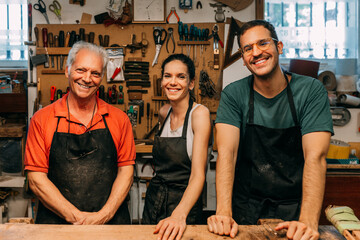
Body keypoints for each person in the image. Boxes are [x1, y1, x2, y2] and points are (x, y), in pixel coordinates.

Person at [207, 20, 333, 240]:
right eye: (248, 48)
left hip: (295, 208)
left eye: (263, 43)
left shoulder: (310, 91)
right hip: (246, 208)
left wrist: (308, 221)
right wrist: (224, 213)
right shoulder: (234, 94)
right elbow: (227, 153)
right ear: (244, 59)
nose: (256, 52)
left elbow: (316, 156)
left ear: (279, 47)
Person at [24, 41, 136, 224]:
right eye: (81, 70)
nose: (87, 78)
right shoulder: (42, 119)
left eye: (95, 73)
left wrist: (103, 216)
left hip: (110, 224)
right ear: (67, 71)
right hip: (56, 226)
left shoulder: (119, 119)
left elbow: (126, 173)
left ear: (101, 78)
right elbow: (36, 179)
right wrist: (79, 219)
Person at [142, 54, 211, 240]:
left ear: (191, 83)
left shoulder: (199, 115)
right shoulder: (164, 113)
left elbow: (198, 175)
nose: (172, 82)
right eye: (167, 76)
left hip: (184, 205)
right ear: (162, 81)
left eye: (180, 77)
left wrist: (179, 215)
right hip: (154, 200)